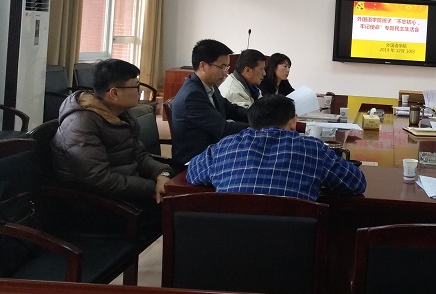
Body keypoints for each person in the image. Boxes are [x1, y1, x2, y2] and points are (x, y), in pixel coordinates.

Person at [186, 95, 367, 201]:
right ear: (293, 122)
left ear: (252, 122)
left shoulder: (224, 147)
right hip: (293, 248)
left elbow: (192, 174)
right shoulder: (313, 149)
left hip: (229, 245)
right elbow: (356, 183)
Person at [51, 59, 173, 205]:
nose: (140, 91)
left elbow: (138, 155)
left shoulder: (119, 113)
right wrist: (152, 187)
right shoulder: (82, 124)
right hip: (100, 204)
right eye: (136, 86)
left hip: (127, 188)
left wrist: (162, 173)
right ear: (114, 93)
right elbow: (98, 178)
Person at [171, 39, 248, 165]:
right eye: (222, 67)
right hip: (194, 162)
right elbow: (223, 129)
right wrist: (257, 126)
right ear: (203, 66)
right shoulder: (192, 95)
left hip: (211, 151)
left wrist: (259, 116)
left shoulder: (209, 86)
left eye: (227, 67)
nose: (226, 72)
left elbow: (231, 109)